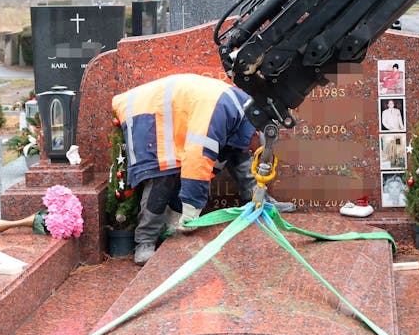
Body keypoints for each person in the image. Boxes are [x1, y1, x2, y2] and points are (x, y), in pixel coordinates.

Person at [112, 73, 293, 263]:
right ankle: (145, 241)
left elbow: (240, 159)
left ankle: (260, 201)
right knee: (163, 175)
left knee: (234, 151)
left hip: (172, 110)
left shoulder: (243, 113)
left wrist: (259, 199)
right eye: (256, 149)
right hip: (149, 111)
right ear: (256, 132)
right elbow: (197, 161)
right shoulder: (221, 113)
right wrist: (192, 210)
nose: (252, 152)